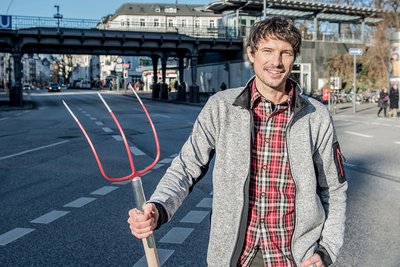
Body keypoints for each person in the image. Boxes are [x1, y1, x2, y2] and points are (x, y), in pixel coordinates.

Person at [128, 17, 347, 267]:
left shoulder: (316, 116)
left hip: (296, 259)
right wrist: (158, 206)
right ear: (251, 53)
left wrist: (327, 249)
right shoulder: (221, 107)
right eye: (268, 51)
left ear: (294, 58)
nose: (276, 62)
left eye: (285, 53)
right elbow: (185, 168)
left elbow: (334, 188)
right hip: (236, 257)